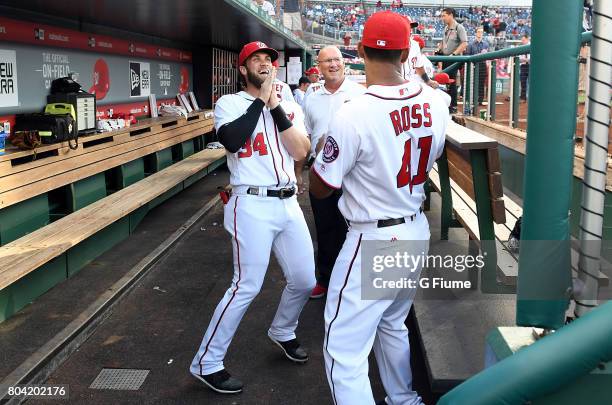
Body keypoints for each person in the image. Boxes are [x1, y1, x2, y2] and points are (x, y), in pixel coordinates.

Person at [309, 11, 449, 405]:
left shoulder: (353, 113)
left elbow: (322, 188)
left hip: (374, 236)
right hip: (414, 227)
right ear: (406, 52)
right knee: (392, 323)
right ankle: (404, 400)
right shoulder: (436, 102)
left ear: (358, 50)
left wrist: (322, 165)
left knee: (343, 349)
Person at [190, 41, 315, 394]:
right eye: (255, 59)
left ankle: (282, 329)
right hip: (251, 203)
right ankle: (207, 361)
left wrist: (275, 104)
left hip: (288, 202)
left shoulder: (289, 105)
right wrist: (261, 98)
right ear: (243, 69)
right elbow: (231, 140)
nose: (264, 63)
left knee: (305, 280)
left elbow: (301, 150)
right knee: (246, 285)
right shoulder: (229, 103)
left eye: (268, 59)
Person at [302, 45, 366, 299]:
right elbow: (307, 132)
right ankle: (326, 280)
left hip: (352, 173)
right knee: (325, 226)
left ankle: (351, 283)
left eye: (337, 60)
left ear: (344, 62)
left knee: (353, 227)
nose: (333, 65)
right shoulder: (312, 96)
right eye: (327, 61)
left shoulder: (359, 94)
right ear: (318, 66)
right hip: (321, 170)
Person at [438, 7, 467, 112]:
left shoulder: (459, 27)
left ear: (450, 15)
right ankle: (447, 105)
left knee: (451, 82)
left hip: (453, 59)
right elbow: (443, 42)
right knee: (445, 82)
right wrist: (439, 50)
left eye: (444, 15)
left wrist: (454, 54)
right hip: (445, 58)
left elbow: (464, 43)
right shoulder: (445, 28)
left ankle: (453, 106)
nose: (442, 18)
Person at [466, 27, 489, 104]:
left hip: (482, 65)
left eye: (481, 32)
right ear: (476, 33)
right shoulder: (470, 44)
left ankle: (480, 100)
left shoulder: (486, 44)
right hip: (474, 66)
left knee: (481, 83)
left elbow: (488, 55)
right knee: (473, 83)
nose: (480, 33)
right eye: (478, 32)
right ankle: (473, 99)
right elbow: (467, 55)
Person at [519, 34, 530, 101]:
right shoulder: (521, 47)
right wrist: (526, 60)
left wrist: (526, 60)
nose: (522, 41)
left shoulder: (532, 45)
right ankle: (523, 98)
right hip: (523, 66)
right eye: (522, 40)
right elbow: (520, 59)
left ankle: (531, 97)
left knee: (531, 82)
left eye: (523, 40)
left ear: (527, 39)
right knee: (523, 82)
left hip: (530, 66)